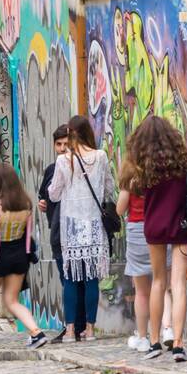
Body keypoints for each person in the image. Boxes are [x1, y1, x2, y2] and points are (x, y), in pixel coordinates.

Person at [128, 114, 187, 362]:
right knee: (178, 285)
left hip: (154, 229)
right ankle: (178, 343)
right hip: (182, 228)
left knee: (157, 282)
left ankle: (154, 341)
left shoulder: (145, 167)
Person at [47, 115, 116, 342]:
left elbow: (53, 194)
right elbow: (109, 189)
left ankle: (69, 331)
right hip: (94, 225)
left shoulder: (63, 161)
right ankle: (90, 330)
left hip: (72, 226)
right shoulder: (101, 157)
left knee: (71, 279)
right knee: (91, 279)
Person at [0, 164, 48, 359]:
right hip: (19, 256)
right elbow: (26, 232)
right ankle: (36, 332)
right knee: (12, 300)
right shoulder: (26, 205)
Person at [116, 151, 164, 354]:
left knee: (142, 291)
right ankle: (165, 331)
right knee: (162, 284)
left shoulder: (131, 179)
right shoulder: (160, 175)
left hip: (137, 231)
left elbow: (120, 209)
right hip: (159, 230)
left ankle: (143, 337)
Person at [37, 125, 70, 340]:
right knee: (64, 278)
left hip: (73, 231)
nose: (62, 148)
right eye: (59, 144)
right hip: (56, 232)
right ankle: (71, 324)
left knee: (75, 281)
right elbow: (43, 195)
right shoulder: (51, 170)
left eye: (66, 144)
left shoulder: (78, 167)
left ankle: (76, 325)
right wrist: (42, 203)